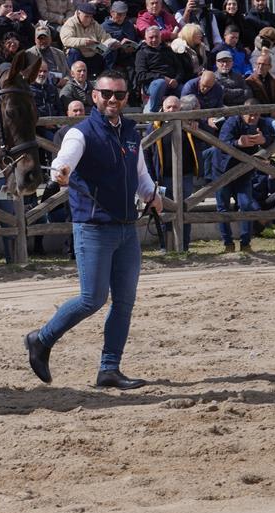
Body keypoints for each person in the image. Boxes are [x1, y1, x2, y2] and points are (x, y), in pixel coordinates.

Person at [24, 70, 163, 390]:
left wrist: (154, 196)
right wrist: (60, 173)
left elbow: (140, 176)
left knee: (124, 301)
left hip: (127, 227)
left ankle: (109, 369)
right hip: (93, 227)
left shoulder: (130, 132)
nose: (113, 100)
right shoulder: (81, 133)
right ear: (95, 96)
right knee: (92, 298)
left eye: (120, 95)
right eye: (107, 94)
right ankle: (41, 339)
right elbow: (63, 162)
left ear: (127, 98)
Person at [215, 98, 275, 253]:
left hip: (245, 171)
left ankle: (246, 243)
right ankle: (228, 243)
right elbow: (222, 143)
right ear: (242, 112)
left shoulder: (262, 123)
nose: (253, 118)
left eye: (256, 115)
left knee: (246, 205)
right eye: (250, 115)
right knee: (223, 208)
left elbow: (274, 140)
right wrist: (238, 143)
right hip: (223, 169)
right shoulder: (231, 122)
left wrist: (264, 140)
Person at [148, 94, 200, 251]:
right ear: (162, 108)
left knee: (185, 210)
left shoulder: (189, 124)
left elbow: (209, 134)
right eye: (168, 107)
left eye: (175, 107)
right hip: (163, 178)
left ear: (181, 108)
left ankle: (184, 246)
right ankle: (166, 246)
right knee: (164, 212)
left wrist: (198, 125)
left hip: (185, 176)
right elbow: (147, 154)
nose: (172, 110)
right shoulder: (154, 126)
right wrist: (152, 178)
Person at [59, 2, 119, 77]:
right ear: (78, 13)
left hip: (93, 53)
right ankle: (75, 79)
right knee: (74, 51)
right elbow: (66, 40)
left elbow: (104, 36)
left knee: (110, 50)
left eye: (90, 17)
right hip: (78, 55)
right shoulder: (70, 23)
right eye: (86, 16)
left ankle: (106, 76)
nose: (89, 19)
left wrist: (111, 42)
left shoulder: (94, 23)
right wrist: (84, 42)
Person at [134, 25, 184, 112]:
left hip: (172, 83)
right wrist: (162, 78)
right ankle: (153, 112)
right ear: (145, 38)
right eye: (151, 37)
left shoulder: (168, 50)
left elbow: (180, 69)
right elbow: (141, 75)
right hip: (153, 84)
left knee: (185, 88)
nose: (154, 40)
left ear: (160, 37)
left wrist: (176, 80)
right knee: (160, 83)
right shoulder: (142, 53)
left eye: (156, 37)